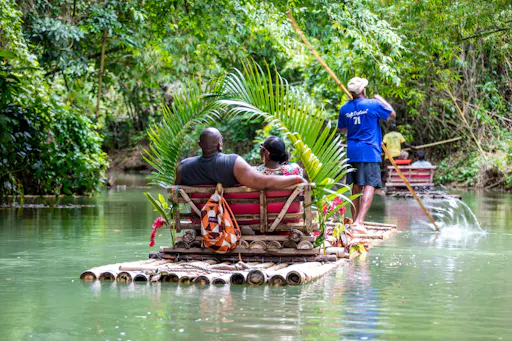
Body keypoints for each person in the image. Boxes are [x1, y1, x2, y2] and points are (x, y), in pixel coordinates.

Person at [337, 77, 396, 234]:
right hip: (369, 151)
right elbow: (392, 114)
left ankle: (356, 221)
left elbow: (342, 129)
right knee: (370, 185)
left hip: (353, 151)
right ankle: (359, 222)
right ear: (363, 90)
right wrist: (380, 98)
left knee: (356, 187)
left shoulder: (344, 108)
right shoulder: (373, 104)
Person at [176, 128, 307, 189]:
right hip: (228, 219)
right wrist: (297, 178)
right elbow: (264, 182)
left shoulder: (182, 167)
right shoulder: (233, 163)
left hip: (202, 219)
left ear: (199, 144)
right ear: (220, 145)